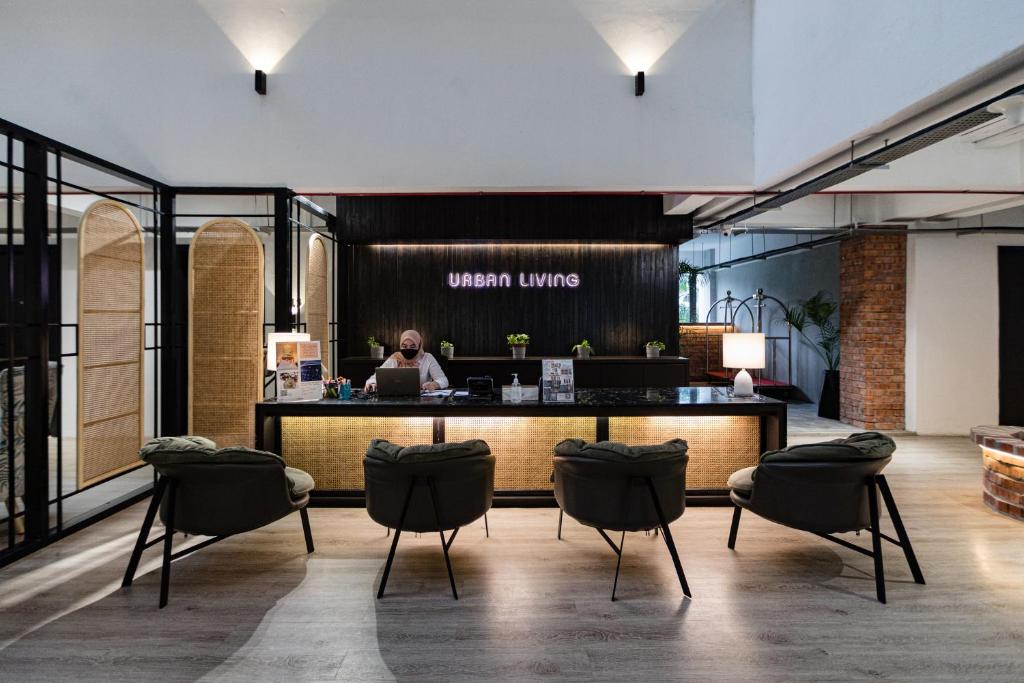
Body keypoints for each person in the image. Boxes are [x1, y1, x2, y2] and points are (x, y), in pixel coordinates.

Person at [364, 329, 449, 392]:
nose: (408, 349)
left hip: (422, 403)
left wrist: (434, 385)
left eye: (412, 346)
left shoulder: (427, 358)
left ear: (419, 346)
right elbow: (375, 378)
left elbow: (443, 380)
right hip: (396, 401)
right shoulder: (395, 358)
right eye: (404, 346)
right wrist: (372, 383)